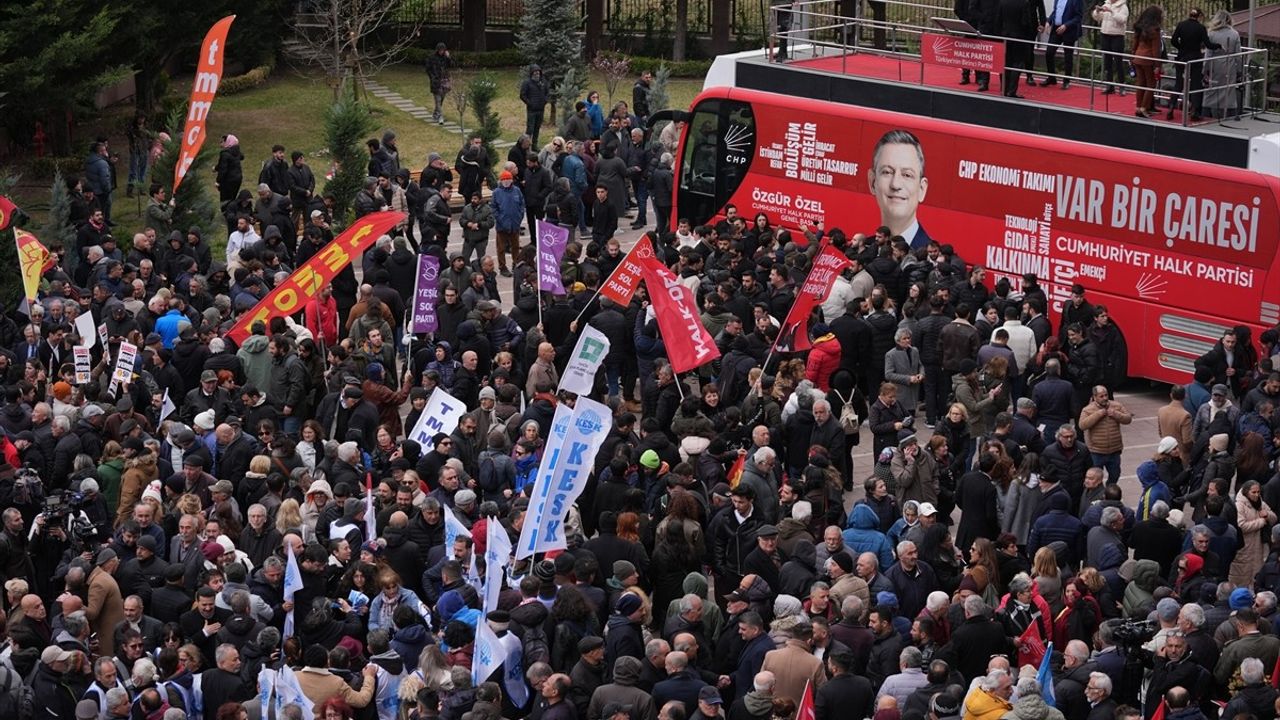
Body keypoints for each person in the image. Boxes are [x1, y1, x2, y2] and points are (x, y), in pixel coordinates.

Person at [867, 130, 931, 250]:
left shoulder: (933, 261)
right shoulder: (862, 250)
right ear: (872, 182)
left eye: (907, 175)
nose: (895, 184)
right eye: (887, 172)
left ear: (922, 189)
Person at [1168, 9, 1218, 120]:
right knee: (1195, 84)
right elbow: (1208, 44)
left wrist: (1181, 48)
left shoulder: (1181, 25)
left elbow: (1173, 40)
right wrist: (1218, 46)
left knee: (1179, 84)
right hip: (1195, 59)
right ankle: (1194, 111)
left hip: (1182, 58)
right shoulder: (1201, 28)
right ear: (1199, 16)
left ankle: (1171, 107)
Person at [1203, 11, 1243, 119]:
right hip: (1229, 65)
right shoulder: (1234, 33)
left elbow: (1208, 54)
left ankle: (1206, 114)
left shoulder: (1211, 33)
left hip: (1214, 65)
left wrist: (1204, 70)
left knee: (1210, 91)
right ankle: (1230, 116)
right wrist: (1239, 71)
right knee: (1229, 92)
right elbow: (1238, 56)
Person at [1041, 0, 1084, 88]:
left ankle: (1066, 81)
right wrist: (1048, 21)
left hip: (1069, 30)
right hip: (1056, 29)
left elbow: (1078, 16)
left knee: (1068, 56)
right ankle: (1051, 77)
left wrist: (1066, 25)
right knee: (1049, 52)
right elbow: (1055, 11)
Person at [1132, 6, 1165, 118]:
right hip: (1148, 59)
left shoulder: (1139, 27)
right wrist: (1157, 65)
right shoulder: (1155, 30)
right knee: (1151, 84)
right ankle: (1144, 108)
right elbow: (1156, 50)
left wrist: (1132, 56)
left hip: (1137, 57)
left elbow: (1134, 45)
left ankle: (1138, 107)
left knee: (1140, 83)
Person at [1092, 0, 1130, 94]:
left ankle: (1122, 86)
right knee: (1107, 61)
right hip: (1105, 34)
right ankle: (1109, 85)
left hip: (1117, 36)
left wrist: (1112, 12)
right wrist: (1097, 11)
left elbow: (1122, 20)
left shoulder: (1123, 7)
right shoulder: (1107, 4)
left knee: (1118, 61)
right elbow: (1098, 18)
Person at [520, 65, 550, 146]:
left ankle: (534, 145)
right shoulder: (527, 83)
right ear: (532, 73)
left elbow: (547, 92)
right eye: (535, 72)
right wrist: (530, 103)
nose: (537, 74)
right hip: (532, 110)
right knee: (530, 129)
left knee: (537, 128)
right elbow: (522, 95)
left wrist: (545, 101)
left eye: (538, 72)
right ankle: (526, 145)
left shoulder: (543, 82)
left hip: (541, 109)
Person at [425, 43, 453, 124]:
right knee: (437, 99)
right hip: (435, 81)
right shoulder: (432, 58)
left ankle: (435, 114)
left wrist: (448, 57)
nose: (441, 52)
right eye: (440, 50)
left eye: (443, 50)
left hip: (444, 81)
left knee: (441, 99)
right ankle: (440, 116)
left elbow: (451, 65)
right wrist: (432, 77)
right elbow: (428, 69)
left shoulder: (445, 58)